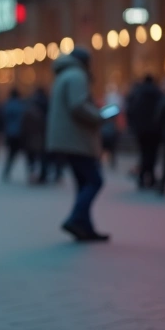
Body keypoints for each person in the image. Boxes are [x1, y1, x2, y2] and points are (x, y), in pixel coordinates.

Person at [46, 49, 109, 242]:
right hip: (77, 139)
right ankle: (75, 219)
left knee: (83, 183)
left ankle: (85, 228)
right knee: (95, 180)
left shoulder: (64, 74)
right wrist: (99, 116)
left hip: (67, 139)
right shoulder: (77, 75)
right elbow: (78, 105)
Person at [127, 75, 164, 189]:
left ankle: (142, 178)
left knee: (144, 153)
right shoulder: (158, 93)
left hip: (141, 130)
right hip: (155, 130)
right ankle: (150, 178)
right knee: (152, 154)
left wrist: (133, 126)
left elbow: (130, 110)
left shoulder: (137, 93)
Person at [1, 89, 28, 182]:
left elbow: (4, 119)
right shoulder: (21, 106)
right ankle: (30, 172)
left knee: (11, 154)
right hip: (21, 133)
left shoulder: (8, 105)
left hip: (10, 133)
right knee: (25, 154)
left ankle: (6, 171)